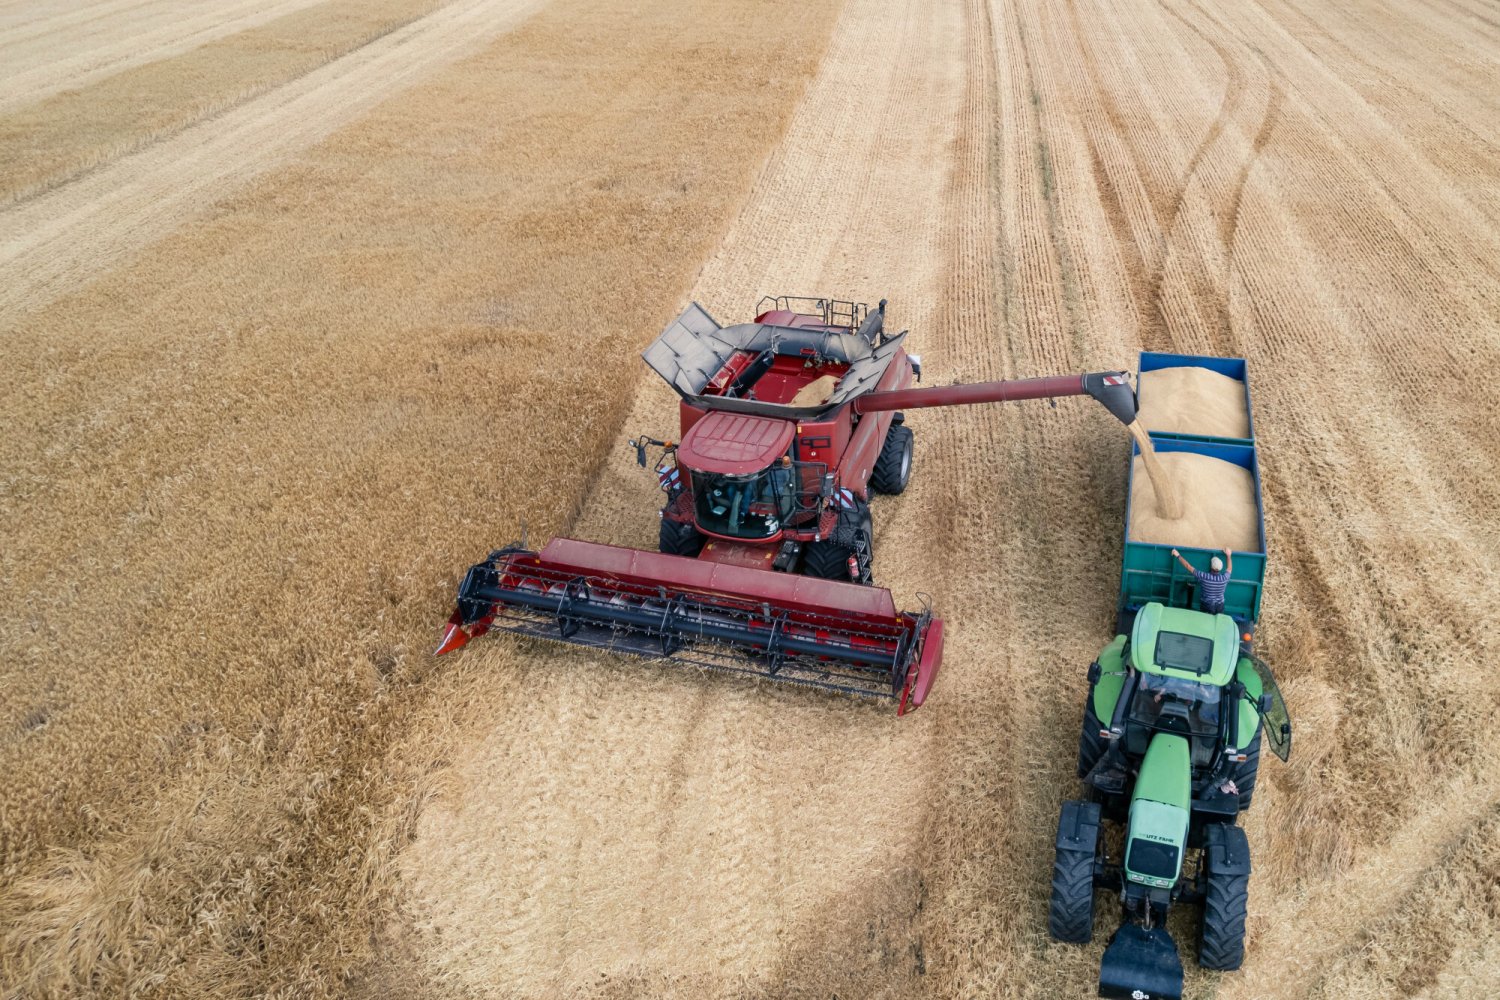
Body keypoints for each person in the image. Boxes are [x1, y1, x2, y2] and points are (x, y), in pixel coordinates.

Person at [1171, 546, 1232, 615]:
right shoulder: (1224, 578)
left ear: (1211, 566)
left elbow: (1188, 567)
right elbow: (1229, 569)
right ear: (1220, 568)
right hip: (1220, 606)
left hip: (1207, 605)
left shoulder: (1204, 576)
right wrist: (1228, 555)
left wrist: (1178, 556)